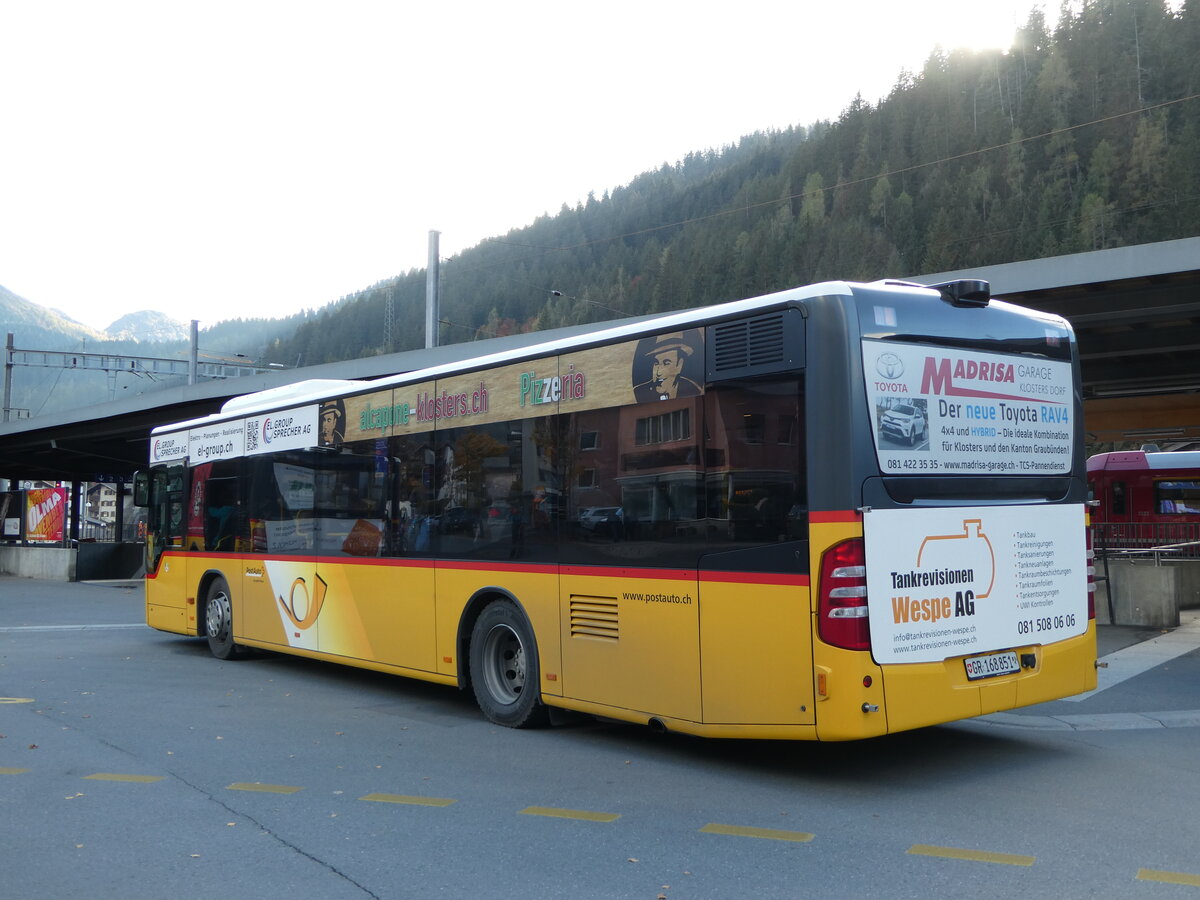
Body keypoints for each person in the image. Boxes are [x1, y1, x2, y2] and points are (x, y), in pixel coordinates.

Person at [633, 332, 702, 402]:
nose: (658, 372)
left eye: (666, 363)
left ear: (679, 365)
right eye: (656, 363)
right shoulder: (640, 392)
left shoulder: (693, 389)